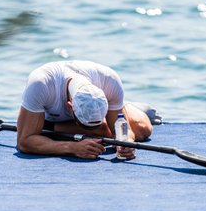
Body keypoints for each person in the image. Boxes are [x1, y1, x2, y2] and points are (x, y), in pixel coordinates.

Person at [17, 60, 158, 159]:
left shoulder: (109, 80)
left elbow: (123, 134)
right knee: (101, 130)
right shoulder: (41, 83)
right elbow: (24, 142)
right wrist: (71, 148)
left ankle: (126, 106)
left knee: (143, 129)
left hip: (102, 110)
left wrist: (127, 142)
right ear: (70, 106)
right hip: (49, 118)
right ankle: (45, 127)